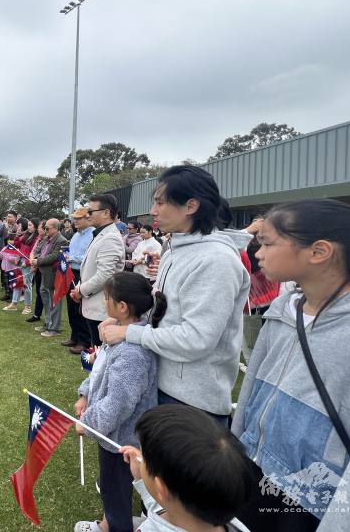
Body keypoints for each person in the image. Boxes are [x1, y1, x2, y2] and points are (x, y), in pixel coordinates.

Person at [231, 199, 350, 531]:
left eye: (266, 242)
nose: (257, 253)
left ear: (319, 252)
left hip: (315, 496)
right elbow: (251, 391)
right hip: (254, 468)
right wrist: (234, 454)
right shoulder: (282, 311)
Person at [101, 166, 250, 428]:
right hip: (160, 383)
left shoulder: (216, 260)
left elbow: (196, 339)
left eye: (160, 202)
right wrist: (126, 322)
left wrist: (129, 334)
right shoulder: (173, 252)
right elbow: (162, 314)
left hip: (192, 402)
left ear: (191, 206)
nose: (154, 211)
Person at [74, 272, 162, 532]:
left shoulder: (132, 352)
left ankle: (116, 526)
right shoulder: (119, 336)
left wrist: (88, 423)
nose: (104, 303)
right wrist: (85, 395)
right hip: (112, 436)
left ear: (122, 307)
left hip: (121, 442)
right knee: (112, 489)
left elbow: (119, 402)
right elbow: (99, 368)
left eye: (107, 298)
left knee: (115, 496)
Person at [83, 404, 253, 532]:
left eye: (145, 457)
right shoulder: (230, 523)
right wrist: (142, 479)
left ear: (161, 487)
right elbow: (168, 504)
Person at [70, 194, 125, 348]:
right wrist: (79, 288)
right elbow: (90, 268)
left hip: (101, 309)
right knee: (96, 351)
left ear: (106, 213)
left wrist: (81, 290)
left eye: (91, 211)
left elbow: (105, 275)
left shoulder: (110, 238)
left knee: (100, 354)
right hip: (94, 303)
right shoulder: (101, 234)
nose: (88, 215)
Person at [62, 207, 94, 354]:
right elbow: (71, 251)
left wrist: (73, 258)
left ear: (88, 218)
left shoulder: (93, 234)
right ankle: (75, 336)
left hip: (83, 273)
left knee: (81, 307)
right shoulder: (75, 236)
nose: (75, 221)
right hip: (71, 272)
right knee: (71, 306)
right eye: (74, 218)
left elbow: (90, 258)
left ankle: (84, 341)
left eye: (78, 218)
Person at [32, 218, 69, 338]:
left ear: (56, 228)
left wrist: (38, 261)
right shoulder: (47, 239)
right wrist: (34, 258)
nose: (45, 230)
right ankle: (48, 323)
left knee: (55, 301)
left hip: (54, 275)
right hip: (44, 273)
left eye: (47, 228)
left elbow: (55, 256)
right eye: (44, 228)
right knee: (46, 300)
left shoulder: (62, 241)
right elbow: (39, 251)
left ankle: (54, 328)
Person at [9, 219, 39, 315]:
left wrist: (26, 263)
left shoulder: (36, 238)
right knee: (17, 281)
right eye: (28, 225)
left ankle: (27, 306)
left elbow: (34, 253)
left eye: (30, 225)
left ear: (36, 226)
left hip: (27, 262)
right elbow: (18, 245)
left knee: (27, 284)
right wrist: (17, 236)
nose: (28, 227)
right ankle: (14, 303)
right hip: (20, 261)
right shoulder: (26, 234)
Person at [25, 220, 47, 323]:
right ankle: (37, 314)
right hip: (36, 266)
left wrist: (35, 263)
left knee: (44, 293)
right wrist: (32, 262)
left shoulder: (47, 240)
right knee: (38, 291)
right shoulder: (39, 238)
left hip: (44, 269)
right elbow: (33, 251)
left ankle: (47, 318)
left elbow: (43, 255)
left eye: (39, 227)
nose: (38, 229)